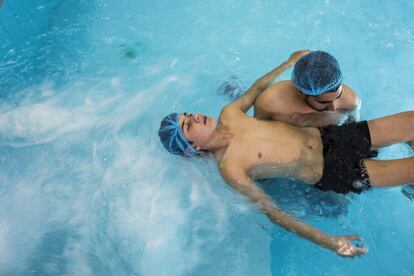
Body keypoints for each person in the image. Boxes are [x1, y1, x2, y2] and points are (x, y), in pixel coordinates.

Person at [157, 52, 414, 257]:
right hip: (332, 171)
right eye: (189, 126)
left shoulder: (229, 114)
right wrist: (328, 241)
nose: (196, 117)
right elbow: (273, 213)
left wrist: (287, 63)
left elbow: (255, 90)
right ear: (194, 148)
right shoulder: (230, 168)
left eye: (189, 115)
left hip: (332, 137)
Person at [254, 50, 360, 127]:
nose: (333, 108)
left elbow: (354, 129)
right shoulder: (271, 104)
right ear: (300, 91)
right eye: (323, 102)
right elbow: (254, 130)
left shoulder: (351, 102)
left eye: (338, 96)